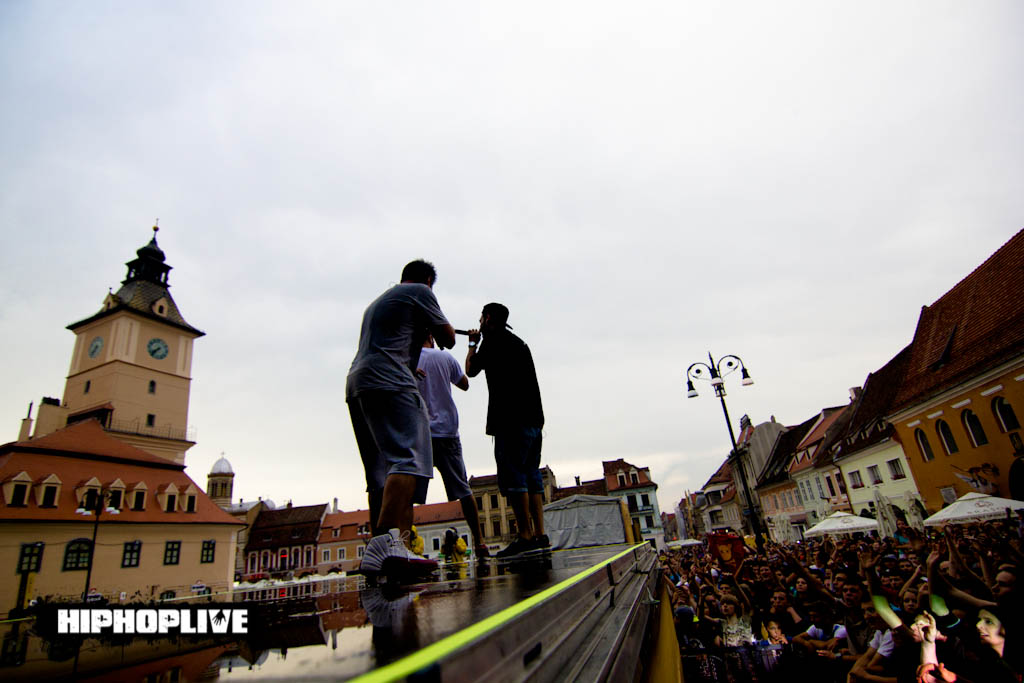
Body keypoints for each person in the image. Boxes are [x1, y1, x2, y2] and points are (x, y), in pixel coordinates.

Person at [346, 260, 456, 579]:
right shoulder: (420, 291)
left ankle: (384, 551)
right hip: (391, 382)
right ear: (427, 280)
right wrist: (434, 325)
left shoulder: (376, 304)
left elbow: (393, 346)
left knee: (378, 473)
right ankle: (385, 544)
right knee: (409, 459)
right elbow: (448, 338)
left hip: (358, 383)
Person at [466, 303, 546, 559]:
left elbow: (470, 370)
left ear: (488, 318)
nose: (479, 321)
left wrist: (472, 344)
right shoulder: (520, 343)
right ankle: (540, 535)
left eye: (481, 317)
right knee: (532, 475)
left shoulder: (492, 342)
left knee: (514, 477)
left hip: (510, 422)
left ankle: (525, 536)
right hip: (534, 420)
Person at [416, 335, 489, 558]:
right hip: (446, 432)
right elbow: (464, 384)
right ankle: (480, 543)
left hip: (420, 433)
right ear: (431, 337)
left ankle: (404, 547)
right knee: (464, 491)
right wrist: (471, 344)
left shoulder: (408, 360)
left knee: (410, 494)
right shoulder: (444, 357)